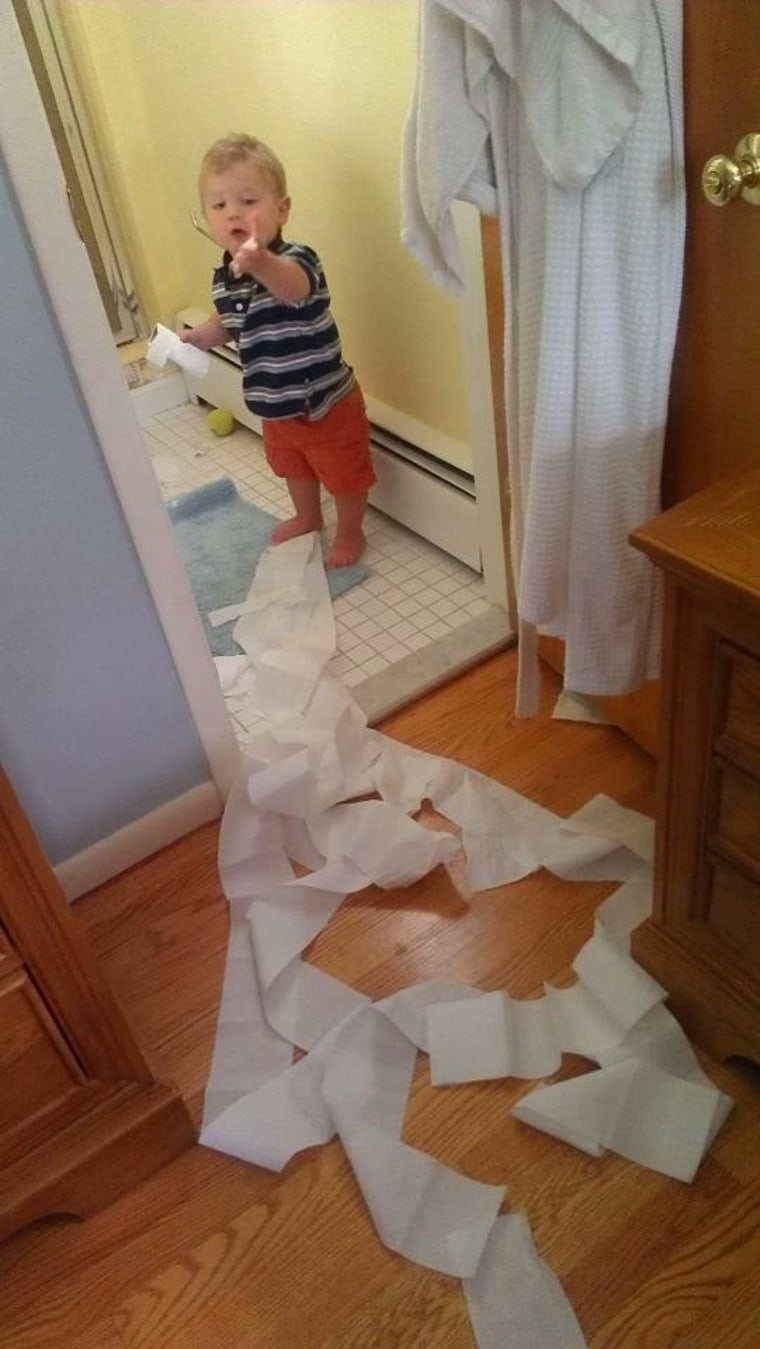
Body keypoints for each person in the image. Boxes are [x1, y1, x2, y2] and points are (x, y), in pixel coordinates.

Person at [181, 134, 375, 567]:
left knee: (345, 476)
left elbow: (293, 290)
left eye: (248, 200)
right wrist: (202, 335)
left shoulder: (297, 260)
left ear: (281, 209)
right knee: (294, 469)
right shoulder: (225, 277)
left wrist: (260, 261)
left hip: (324, 403)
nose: (233, 212)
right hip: (275, 406)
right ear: (208, 219)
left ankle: (350, 531)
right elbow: (230, 322)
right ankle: (308, 516)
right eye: (219, 205)